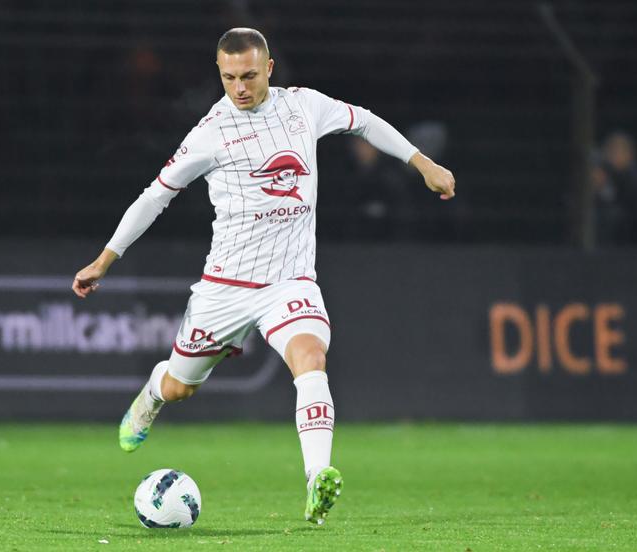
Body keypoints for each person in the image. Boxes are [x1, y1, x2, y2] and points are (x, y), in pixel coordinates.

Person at [71, 28, 455, 525]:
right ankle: (150, 395)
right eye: (229, 77)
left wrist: (421, 162)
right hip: (225, 288)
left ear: (269, 68)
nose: (240, 88)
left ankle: (318, 477)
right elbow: (155, 196)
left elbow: (363, 122)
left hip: (290, 282)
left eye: (249, 75)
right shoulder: (210, 133)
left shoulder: (304, 107)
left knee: (310, 357)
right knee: (180, 387)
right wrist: (106, 258)